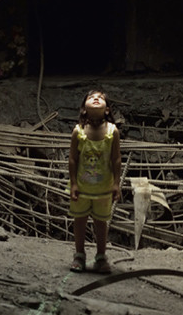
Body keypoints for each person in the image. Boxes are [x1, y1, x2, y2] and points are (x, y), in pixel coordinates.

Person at [68, 89, 121, 273]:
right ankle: (79, 255)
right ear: (84, 109)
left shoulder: (112, 132)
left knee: (101, 223)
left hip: (103, 189)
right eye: (91, 97)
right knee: (80, 221)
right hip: (82, 188)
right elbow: (73, 159)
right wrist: (73, 184)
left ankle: (101, 257)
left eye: (100, 97)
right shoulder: (78, 132)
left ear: (107, 109)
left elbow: (116, 159)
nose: (96, 98)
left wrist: (116, 183)